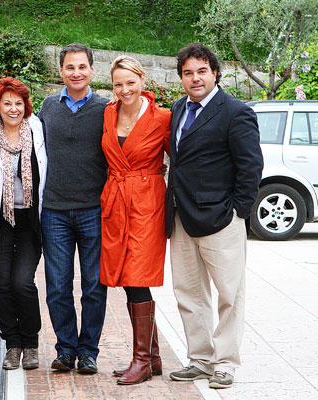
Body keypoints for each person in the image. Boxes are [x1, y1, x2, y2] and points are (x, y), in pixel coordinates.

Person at [166, 43, 263, 389]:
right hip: (181, 218)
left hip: (221, 219)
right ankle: (201, 359)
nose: (195, 78)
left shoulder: (235, 112)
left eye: (201, 71)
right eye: (188, 73)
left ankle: (225, 364)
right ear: (181, 78)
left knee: (229, 294)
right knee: (189, 294)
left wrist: (238, 211)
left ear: (215, 73)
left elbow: (250, 167)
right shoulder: (178, 109)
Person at [99, 56, 171, 384]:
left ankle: (141, 360)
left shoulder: (162, 117)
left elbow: (182, 159)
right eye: (118, 84)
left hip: (146, 202)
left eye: (130, 82)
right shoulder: (108, 113)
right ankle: (152, 357)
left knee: (137, 275)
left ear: (143, 80)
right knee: (126, 277)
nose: (124, 89)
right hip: (116, 200)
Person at [38, 43, 108, 374]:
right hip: (53, 211)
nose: (76, 72)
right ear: (61, 71)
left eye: (82, 66)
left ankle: (89, 350)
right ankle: (66, 349)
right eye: (69, 67)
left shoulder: (106, 108)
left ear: (92, 70)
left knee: (94, 285)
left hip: (94, 210)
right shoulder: (48, 107)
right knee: (57, 286)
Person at [0, 77, 47, 370]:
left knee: (22, 282)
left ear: (26, 106)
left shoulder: (36, 130)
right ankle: (12, 344)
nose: (13, 109)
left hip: (30, 219)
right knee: (1, 283)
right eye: (7, 103)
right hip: (1, 219)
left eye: (18, 103)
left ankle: (31, 342)